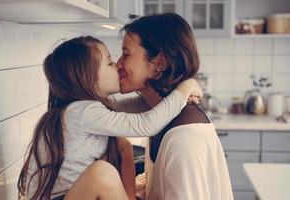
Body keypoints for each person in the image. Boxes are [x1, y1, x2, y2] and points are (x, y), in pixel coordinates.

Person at [17, 36, 202, 200]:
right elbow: (147, 124)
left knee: (123, 146)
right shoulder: (82, 112)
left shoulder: (83, 109)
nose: (117, 65)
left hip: (78, 194)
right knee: (102, 172)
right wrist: (186, 88)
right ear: (86, 76)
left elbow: (141, 107)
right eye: (109, 63)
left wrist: (173, 97)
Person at [116, 13, 234, 200]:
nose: (118, 64)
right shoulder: (161, 116)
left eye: (126, 54)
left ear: (159, 63)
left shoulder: (184, 139)